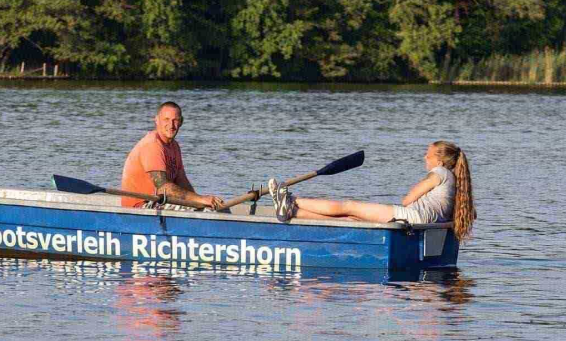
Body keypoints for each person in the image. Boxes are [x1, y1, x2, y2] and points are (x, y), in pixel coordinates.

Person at [268, 141, 476, 241]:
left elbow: (407, 200)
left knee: (348, 206)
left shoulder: (438, 173)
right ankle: (292, 211)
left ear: (439, 160)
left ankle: (291, 199)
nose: (424, 157)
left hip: (409, 215)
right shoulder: (456, 181)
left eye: (427, 154)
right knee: (350, 219)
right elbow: (468, 214)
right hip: (420, 221)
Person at [121, 102, 224, 210]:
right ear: (156, 120)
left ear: (181, 122)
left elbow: (182, 181)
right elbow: (164, 188)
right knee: (203, 210)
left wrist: (201, 200)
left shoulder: (174, 146)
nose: (171, 125)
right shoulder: (152, 144)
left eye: (175, 120)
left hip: (161, 201)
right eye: (166, 119)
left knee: (213, 208)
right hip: (141, 206)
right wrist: (200, 199)